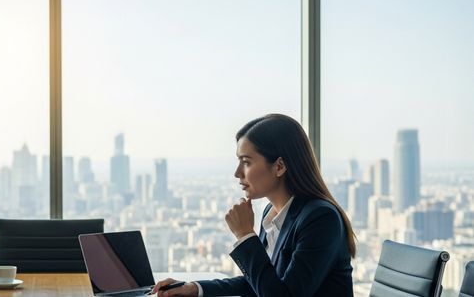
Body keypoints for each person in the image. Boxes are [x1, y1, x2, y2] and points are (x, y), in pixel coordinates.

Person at [152, 114, 355, 297]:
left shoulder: (320, 218)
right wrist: (195, 288)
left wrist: (245, 236)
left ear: (279, 166)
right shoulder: (273, 212)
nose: (237, 172)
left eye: (246, 162)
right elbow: (262, 282)